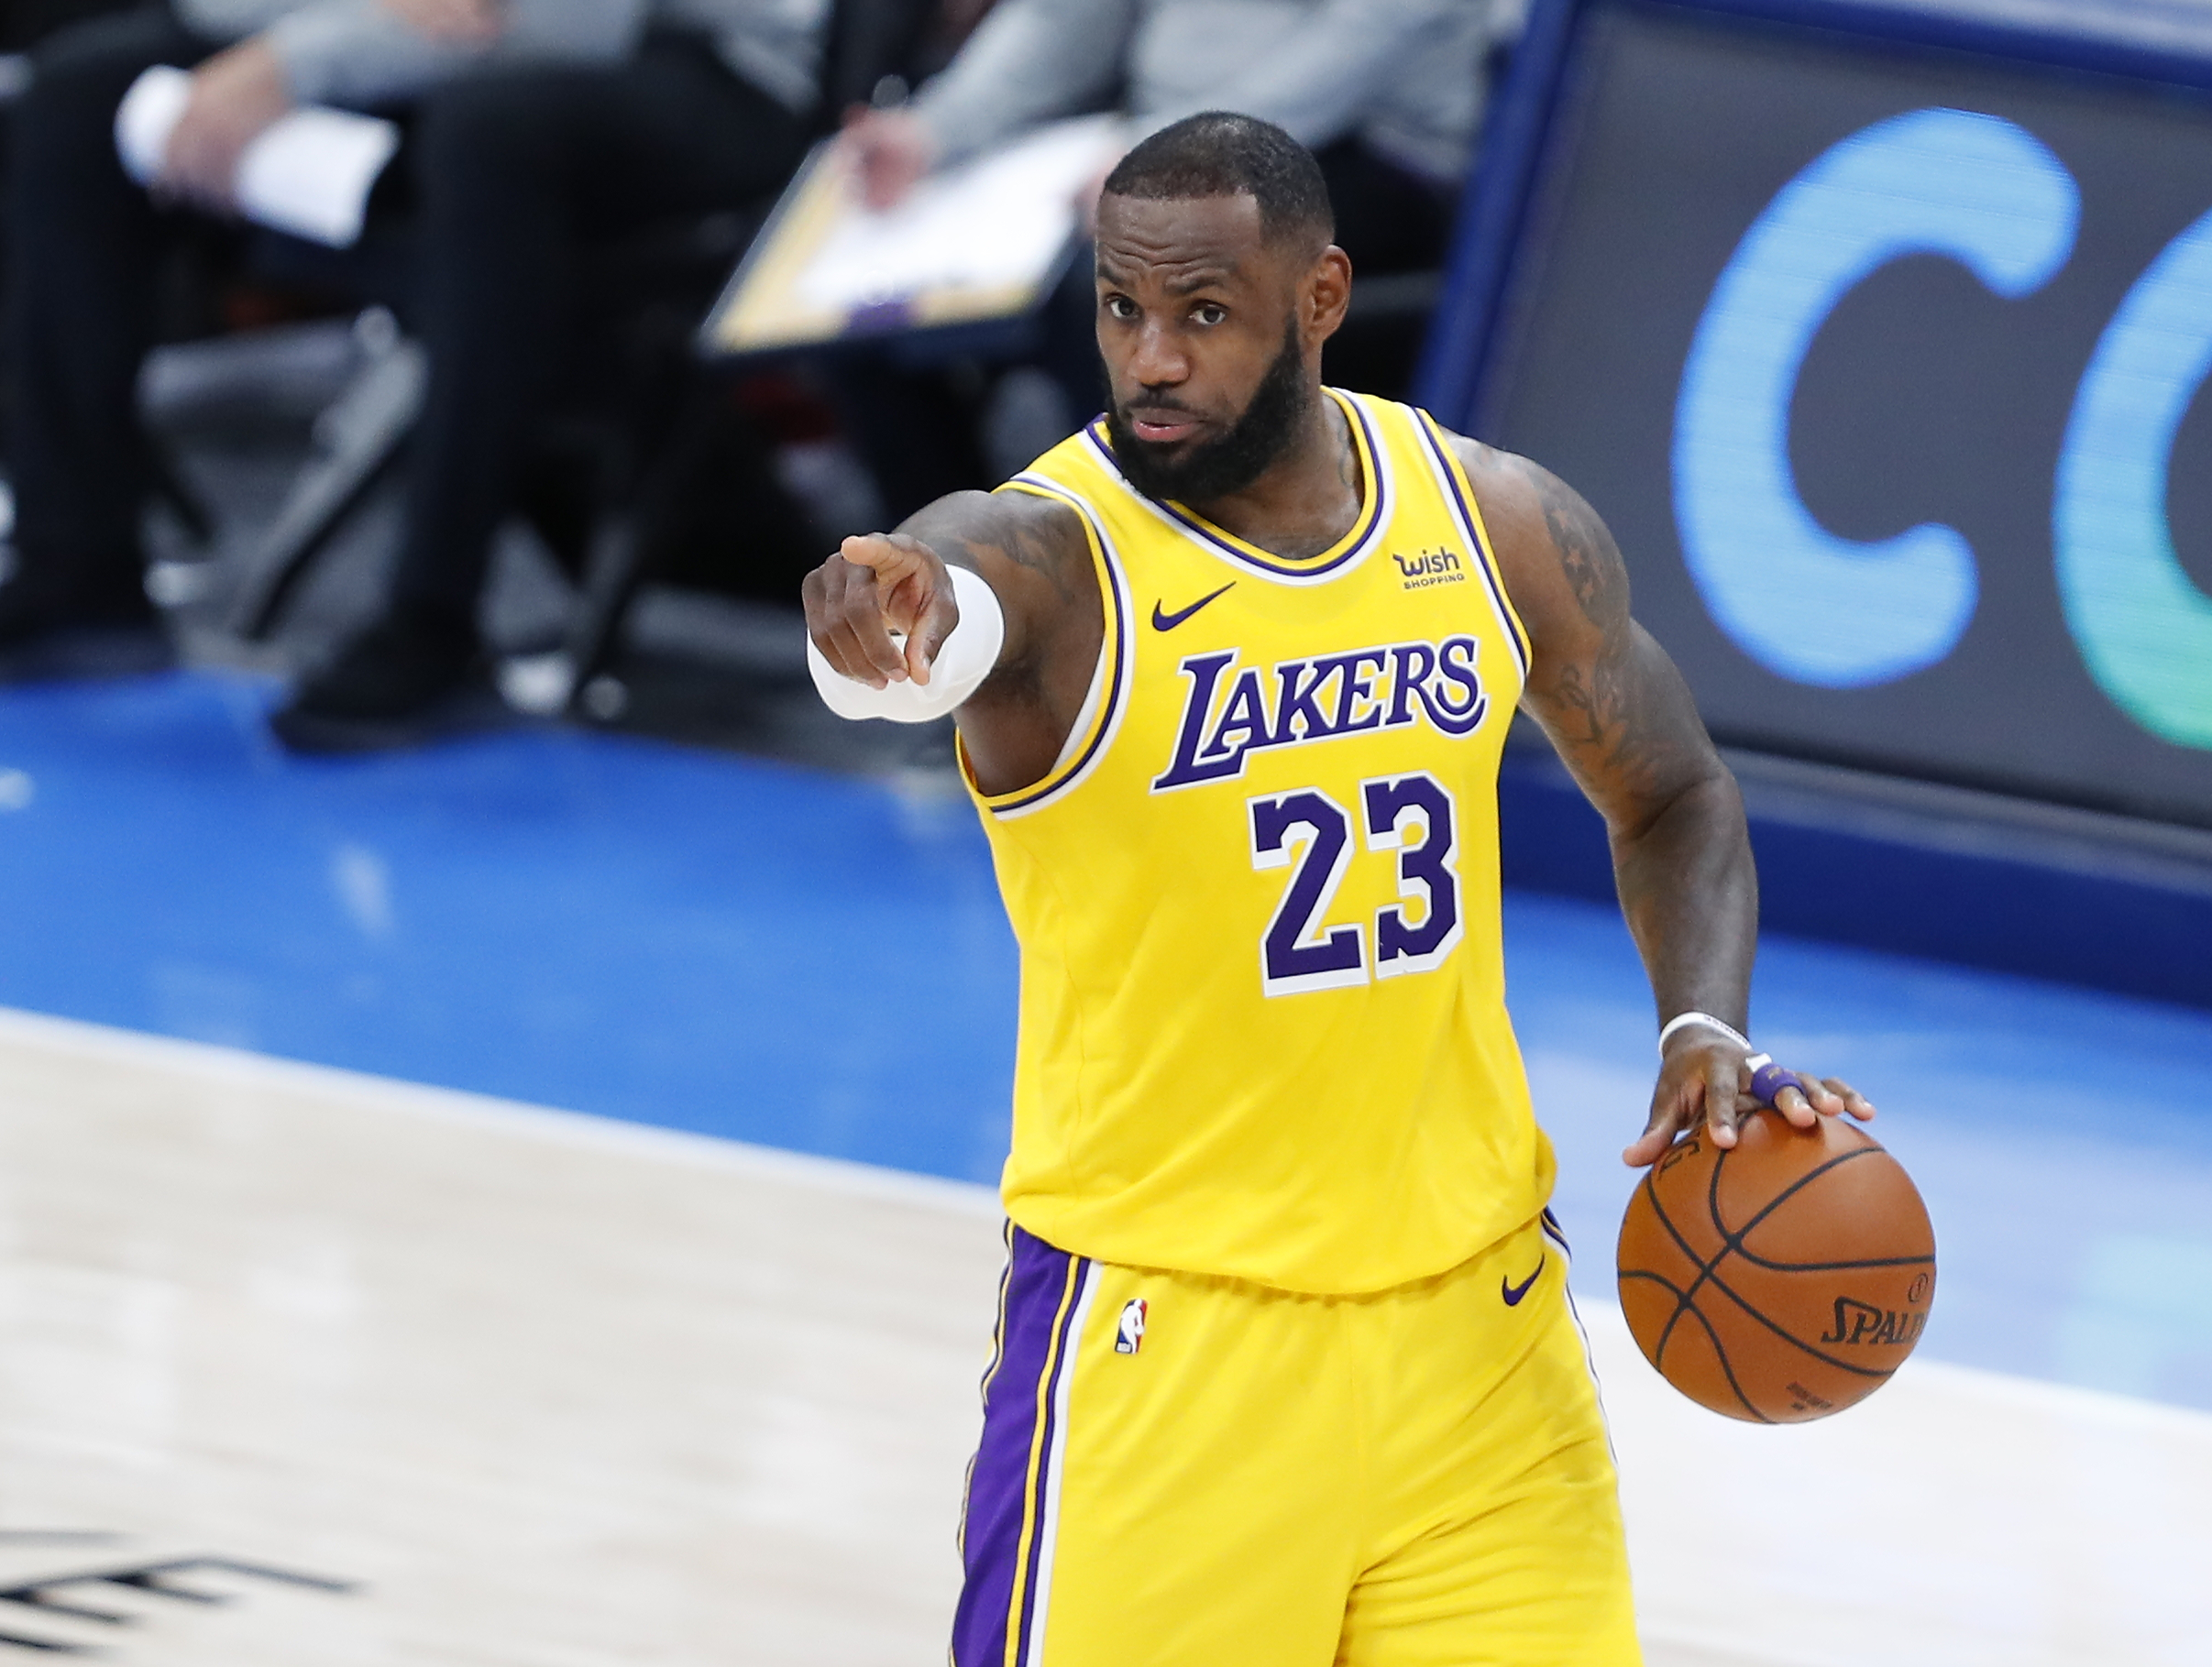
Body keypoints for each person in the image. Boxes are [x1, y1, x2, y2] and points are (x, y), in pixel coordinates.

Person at [804, 113, 1872, 1664]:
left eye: (1204, 313)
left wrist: (1701, 1021)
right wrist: (885, 618)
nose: (1152, 357)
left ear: (1317, 300)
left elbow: (1676, 790)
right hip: (1175, 1348)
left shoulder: (1488, 518)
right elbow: (948, 589)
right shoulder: (1060, 556)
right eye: (1121, 309)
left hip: (1480, 1342)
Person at [0, 0, 820, 749]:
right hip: (428, 36)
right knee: (81, 92)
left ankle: (434, 616)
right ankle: (78, 566)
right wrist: (307, 39)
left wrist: (299, 61)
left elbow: (582, 20)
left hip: (713, 60)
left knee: (488, 135)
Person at [820, 0, 1487, 521]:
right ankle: (962, 605)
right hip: (1156, 135)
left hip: (1365, 146)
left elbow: (1375, 32)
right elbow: (1063, 19)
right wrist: (935, 130)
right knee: (858, 312)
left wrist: (1180, 150)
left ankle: (1176, 588)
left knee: (1122, 285)